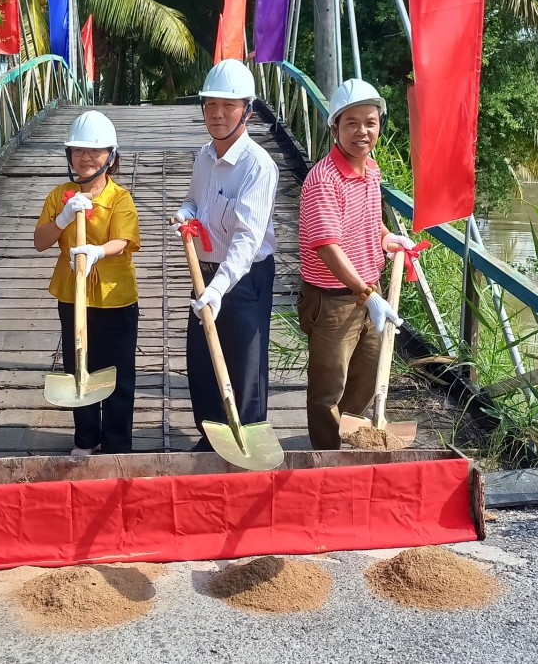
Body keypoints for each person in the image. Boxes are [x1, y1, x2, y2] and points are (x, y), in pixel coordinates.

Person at [171, 59, 278, 452]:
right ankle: (212, 440)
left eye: (228, 105)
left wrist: (218, 288)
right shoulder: (204, 156)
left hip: (246, 277)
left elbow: (247, 240)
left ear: (247, 111)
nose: (217, 113)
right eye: (211, 104)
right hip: (204, 271)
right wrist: (185, 214)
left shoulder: (258, 166)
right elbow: (194, 201)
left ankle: (247, 444)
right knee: (202, 361)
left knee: (245, 364)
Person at [297, 78, 407, 450]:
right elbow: (327, 247)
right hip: (333, 300)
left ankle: (348, 439)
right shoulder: (324, 180)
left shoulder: (370, 169)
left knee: (369, 377)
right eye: (352, 123)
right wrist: (367, 293)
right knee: (329, 388)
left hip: (368, 292)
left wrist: (387, 238)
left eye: (370, 122)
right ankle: (327, 457)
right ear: (335, 128)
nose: (362, 131)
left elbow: (367, 221)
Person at [34, 110, 140, 456]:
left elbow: (124, 239)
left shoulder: (119, 197)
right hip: (72, 293)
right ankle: (86, 438)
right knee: (78, 365)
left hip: (114, 296)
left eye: (95, 150)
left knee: (117, 371)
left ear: (111, 155)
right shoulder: (59, 196)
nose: (86, 157)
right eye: (78, 150)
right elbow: (40, 241)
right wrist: (63, 218)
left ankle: (118, 443)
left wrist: (98, 251)